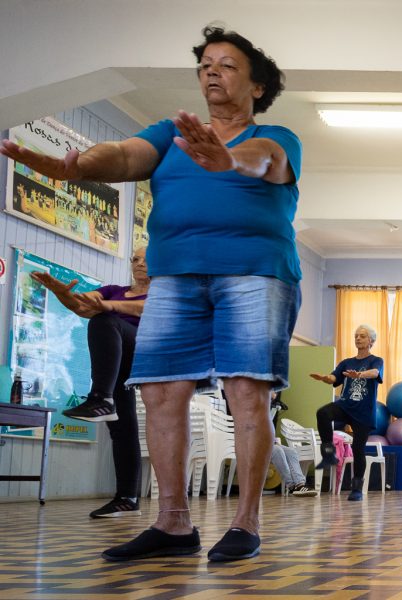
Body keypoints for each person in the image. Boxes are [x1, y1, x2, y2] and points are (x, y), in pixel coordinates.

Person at [2, 26, 302, 563]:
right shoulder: (172, 135)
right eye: (206, 65)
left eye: (227, 65)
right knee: (160, 392)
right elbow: (122, 156)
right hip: (174, 278)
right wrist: (77, 167)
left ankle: (246, 522)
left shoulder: (275, 135)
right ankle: (173, 523)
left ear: (257, 85)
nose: (212, 72)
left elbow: (267, 159)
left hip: (255, 273)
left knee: (245, 390)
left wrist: (229, 159)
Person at [31, 248, 148, 518]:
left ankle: (101, 398)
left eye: (146, 258)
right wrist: (63, 294)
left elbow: (148, 310)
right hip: (119, 360)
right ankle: (127, 498)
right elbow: (83, 306)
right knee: (122, 426)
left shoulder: (162, 293)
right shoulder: (113, 290)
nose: (139, 263)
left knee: (104, 320)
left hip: (147, 352)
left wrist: (108, 306)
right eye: (135, 259)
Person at [310, 325, 384, 502]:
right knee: (323, 413)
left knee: (358, 449)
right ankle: (329, 453)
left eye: (362, 336)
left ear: (371, 341)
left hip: (364, 412)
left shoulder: (376, 360)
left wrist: (359, 375)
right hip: (345, 406)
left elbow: (375, 373)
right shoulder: (346, 362)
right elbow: (334, 377)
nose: (358, 338)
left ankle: (356, 489)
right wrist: (325, 378)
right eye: (356, 336)